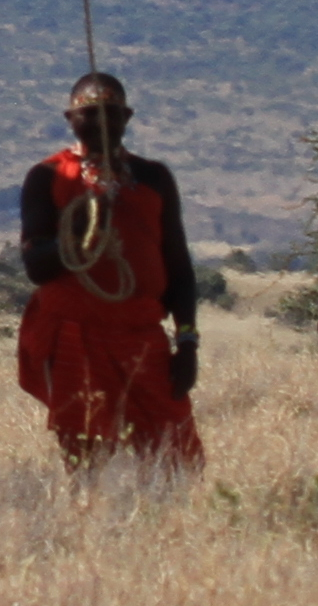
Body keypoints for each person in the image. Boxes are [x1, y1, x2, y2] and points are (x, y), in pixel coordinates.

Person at [16, 71, 202, 468]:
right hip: (74, 330)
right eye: (89, 114)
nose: (101, 122)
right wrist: (81, 232)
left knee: (176, 457)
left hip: (141, 333)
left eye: (111, 113)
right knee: (88, 457)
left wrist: (186, 341)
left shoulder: (154, 178)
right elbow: (35, 266)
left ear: (128, 117)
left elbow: (178, 265)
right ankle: (94, 522)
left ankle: (167, 524)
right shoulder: (48, 176)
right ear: (70, 119)